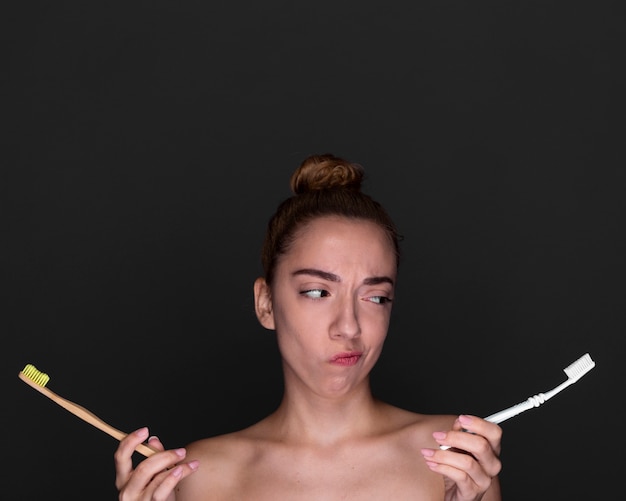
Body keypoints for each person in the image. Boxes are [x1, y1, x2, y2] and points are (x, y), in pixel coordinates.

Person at [115, 153, 503, 500]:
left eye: (375, 297)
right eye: (318, 292)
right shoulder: (199, 476)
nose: (348, 326)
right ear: (265, 303)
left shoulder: (452, 459)